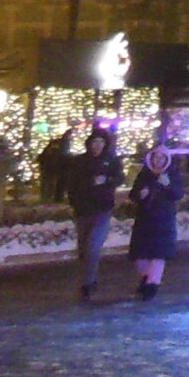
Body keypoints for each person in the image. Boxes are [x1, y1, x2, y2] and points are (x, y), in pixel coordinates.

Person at [65, 128, 125, 302]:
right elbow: (72, 183)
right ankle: (88, 277)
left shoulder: (111, 161)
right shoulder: (80, 161)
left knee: (93, 247)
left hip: (102, 210)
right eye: (94, 141)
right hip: (82, 209)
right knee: (83, 249)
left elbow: (119, 178)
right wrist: (76, 198)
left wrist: (107, 181)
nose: (97, 145)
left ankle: (88, 283)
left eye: (101, 142)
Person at [127, 146, 184, 300]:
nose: (158, 160)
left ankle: (152, 285)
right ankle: (146, 279)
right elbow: (133, 194)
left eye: (161, 158)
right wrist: (140, 194)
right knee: (141, 254)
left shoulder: (172, 174)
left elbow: (178, 194)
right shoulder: (145, 174)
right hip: (145, 218)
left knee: (158, 254)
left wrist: (167, 185)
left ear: (167, 159)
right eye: (155, 157)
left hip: (163, 219)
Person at [39, 128, 73, 206]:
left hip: (52, 167)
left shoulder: (57, 144)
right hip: (53, 167)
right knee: (51, 184)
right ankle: (49, 199)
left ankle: (48, 199)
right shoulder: (62, 144)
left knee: (51, 184)